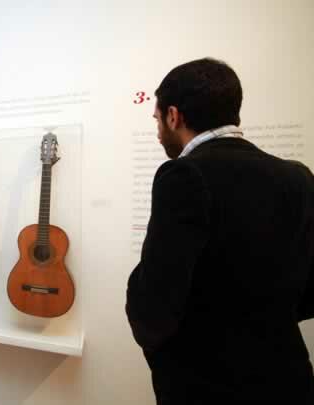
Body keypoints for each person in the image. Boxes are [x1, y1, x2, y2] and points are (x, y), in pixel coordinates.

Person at [126, 58, 314, 404]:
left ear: (173, 115)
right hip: (288, 379)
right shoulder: (298, 176)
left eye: (157, 120)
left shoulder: (183, 176)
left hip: (208, 385)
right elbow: (309, 291)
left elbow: (154, 305)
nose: (157, 133)